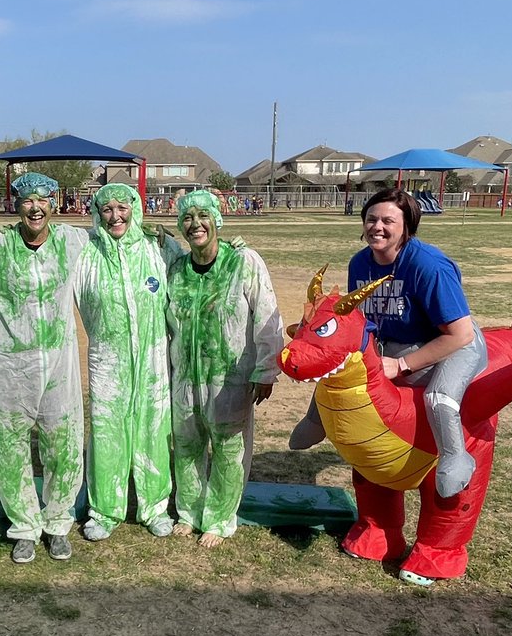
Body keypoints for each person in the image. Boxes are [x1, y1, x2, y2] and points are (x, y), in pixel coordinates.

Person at [290, 188, 487, 499]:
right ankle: (315, 420)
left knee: (439, 397)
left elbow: (459, 334)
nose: (376, 227)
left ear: (406, 225)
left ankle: (455, 456)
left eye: (387, 221)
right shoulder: (360, 264)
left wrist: (402, 365)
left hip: (451, 342)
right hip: (397, 341)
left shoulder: (428, 266)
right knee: (343, 363)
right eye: (371, 219)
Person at [0, 172, 89, 563]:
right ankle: (23, 526)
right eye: (27, 200)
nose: (35, 207)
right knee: (9, 446)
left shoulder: (74, 241)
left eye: (43, 199)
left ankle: (58, 522)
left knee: (64, 443)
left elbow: (120, 242)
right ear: (16, 205)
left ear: (54, 204)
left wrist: (165, 241)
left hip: (59, 364)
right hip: (9, 365)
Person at [166, 191, 283, 547]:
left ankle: (218, 517)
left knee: (229, 449)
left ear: (217, 219)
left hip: (230, 377)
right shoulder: (177, 270)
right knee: (186, 446)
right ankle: (189, 511)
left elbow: (267, 314)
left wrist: (266, 370)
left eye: (203, 215)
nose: (195, 224)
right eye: (188, 218)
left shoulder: (243, 262)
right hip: (185, 376)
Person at [74, 183, 183, 540]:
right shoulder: (85, 252)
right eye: (107, 209)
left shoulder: (158, 248)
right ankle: (104, 510)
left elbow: (193, 268)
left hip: (152, 359)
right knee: (107, 432)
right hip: (107, 358)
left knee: (153, 428)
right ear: (97, 213)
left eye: (122, 208)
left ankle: (154, 506)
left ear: (135, 209)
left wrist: (233, 250)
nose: (115, 216)